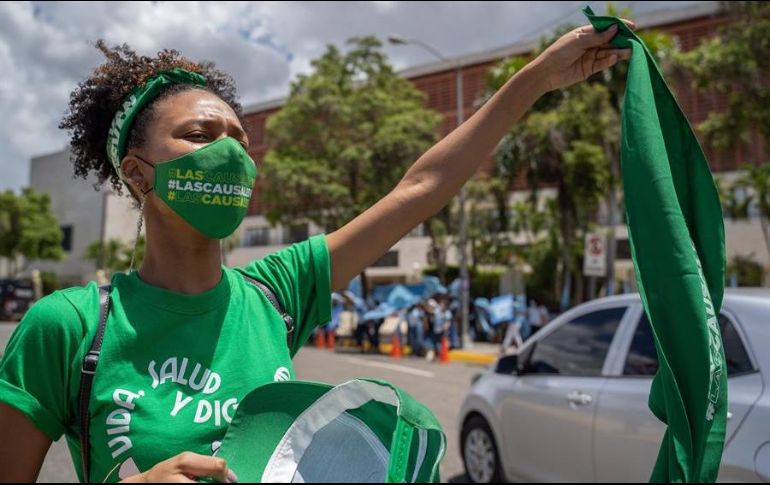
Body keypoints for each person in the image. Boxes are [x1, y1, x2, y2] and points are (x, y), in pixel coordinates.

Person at [0, 22, 632, 482]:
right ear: (138, 176)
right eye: (200, 135)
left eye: (239, 139)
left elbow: (420, 189)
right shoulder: (70, 327)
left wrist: (536, 80)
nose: (231, 152)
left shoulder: (277, 291)